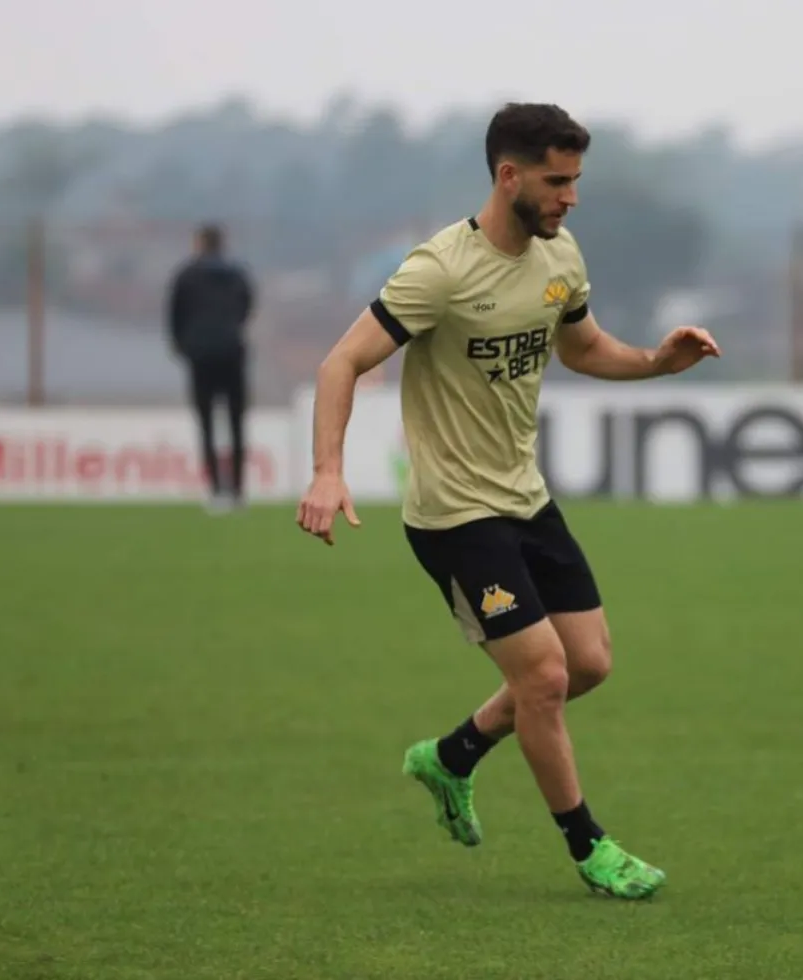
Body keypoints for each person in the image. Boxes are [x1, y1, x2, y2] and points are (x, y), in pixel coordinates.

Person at [295, 102, 720, 899]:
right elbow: (340, 363)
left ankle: (451, 756)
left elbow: (584, 346)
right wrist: (328, 469)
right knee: (546, 679)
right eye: (558, 182)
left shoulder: (560, 257)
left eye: (576, 181)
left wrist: (657, 363)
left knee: (588, 664)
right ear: (508, 176)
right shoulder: (440, 270)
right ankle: (591, 850)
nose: (571, 197)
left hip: (526, 499)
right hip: (455, 517)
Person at [167, 223, 255, 511]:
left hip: (201, 356)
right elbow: (247, 307)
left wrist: (183, 345)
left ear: (200, 244)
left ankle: (216, 490)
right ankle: (238, 491)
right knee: (236, 422)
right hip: (233, 352)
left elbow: (174, 315)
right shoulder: (237, 275)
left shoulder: (186, 276)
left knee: (206, 424)